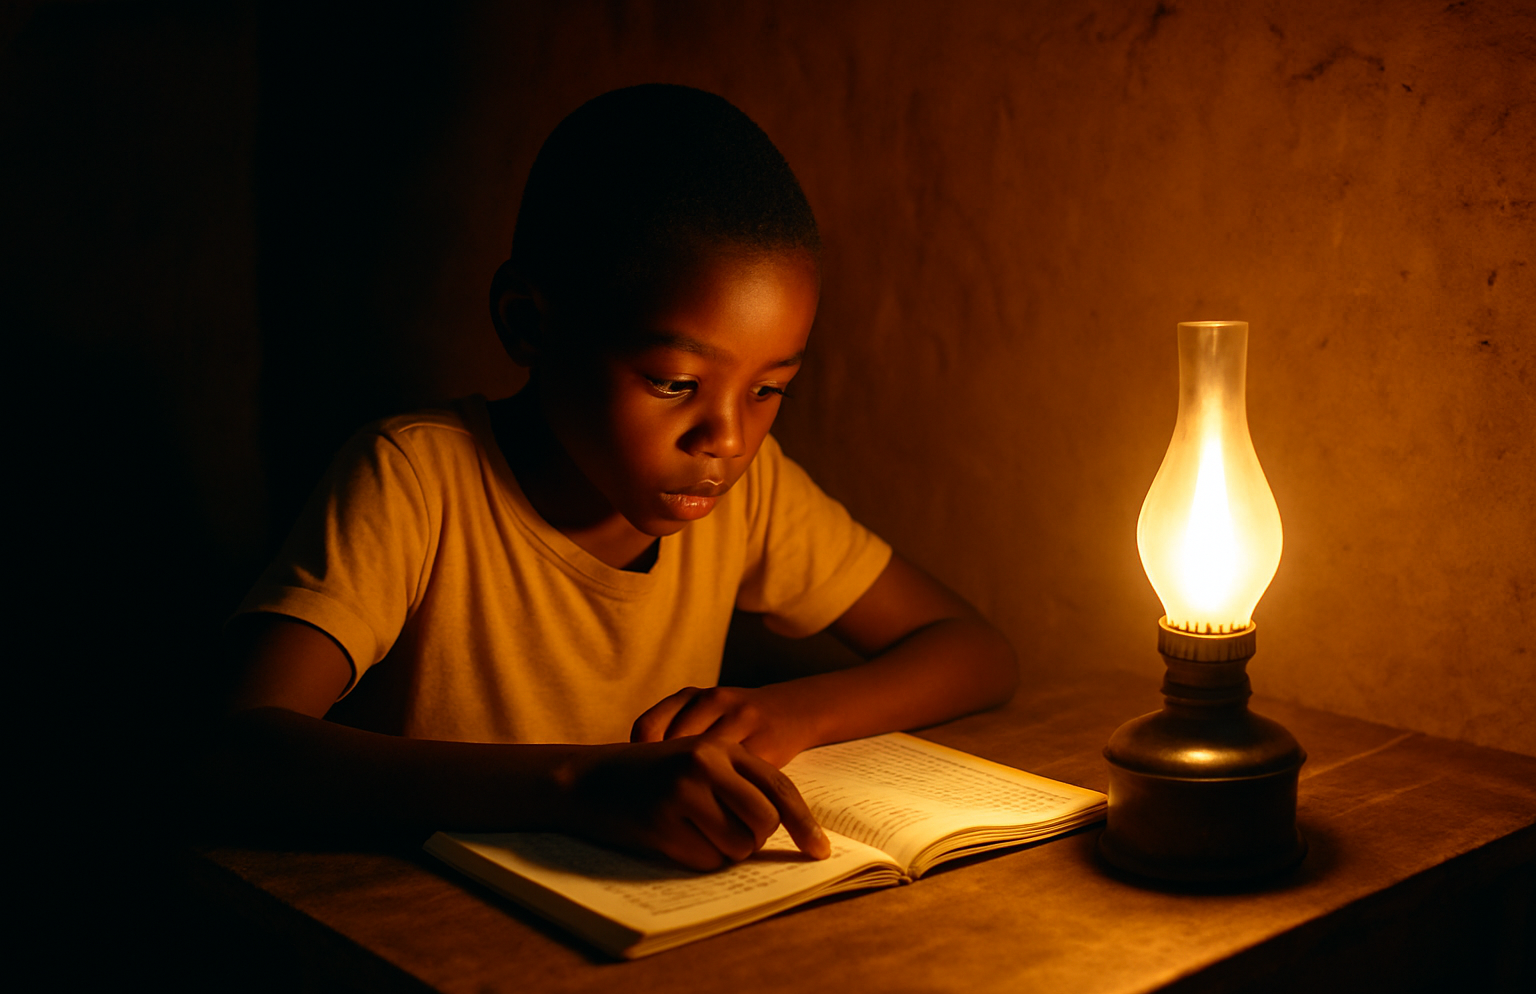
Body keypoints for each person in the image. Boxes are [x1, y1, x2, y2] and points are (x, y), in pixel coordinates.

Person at [216, 84, 1017, 871]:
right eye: (674, 382)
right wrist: (581, 782)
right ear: (528, 324)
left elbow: (975, 652)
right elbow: (236, 746)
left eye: (769, 389)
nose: (727, 438)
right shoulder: (417, 482)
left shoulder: (750, 493)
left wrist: (790, 712)